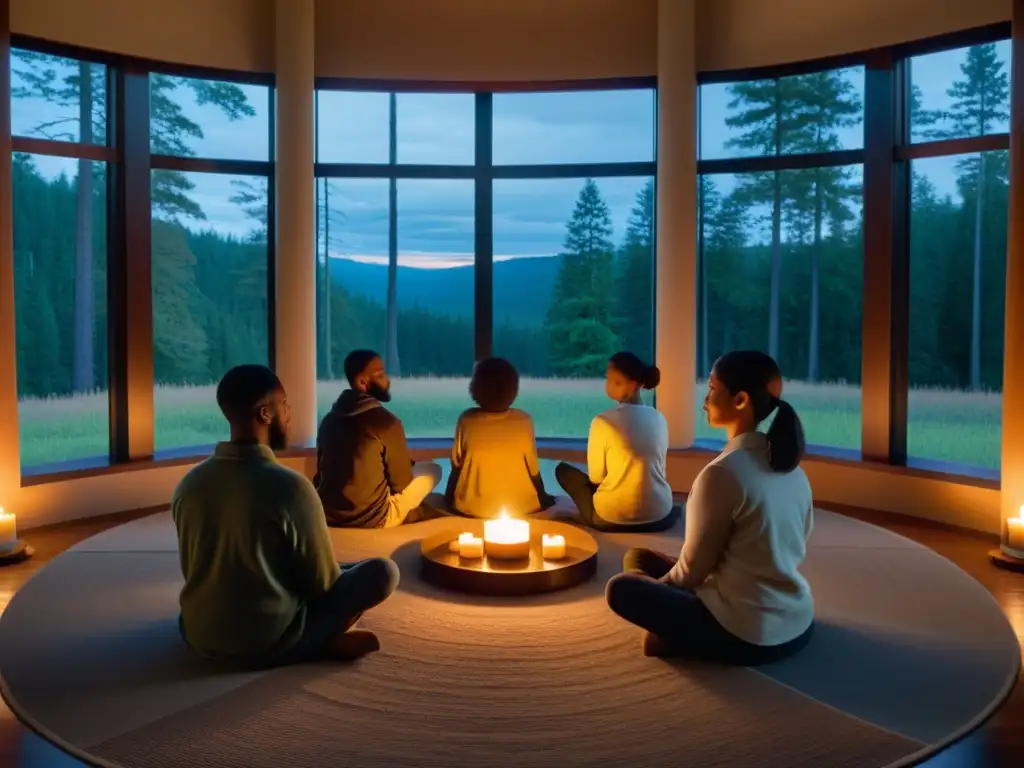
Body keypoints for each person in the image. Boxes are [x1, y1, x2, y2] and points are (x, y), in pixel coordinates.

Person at [172, 364, 399, 668]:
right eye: (285, 404)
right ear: (265, 413)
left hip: (197, 636)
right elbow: (321, 588)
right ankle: (317, 643)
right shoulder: (291, 488)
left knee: (330, 564)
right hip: (266, 642)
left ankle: (312, 637)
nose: (290, 413)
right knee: (382, 571)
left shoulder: (189, 484)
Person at [605, 350, 815, 665]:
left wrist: (657, 597)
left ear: (741, 400)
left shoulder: (722, 474)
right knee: (637, 556)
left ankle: (673, 635)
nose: (705, 399)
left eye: (713, 389)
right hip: (796, 619)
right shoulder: (793, 470)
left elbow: (690, 573)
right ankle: (673, 625)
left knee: (622, 588)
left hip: (746, 631)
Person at [314, 349, 443, 528]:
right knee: (433, 469)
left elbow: (319, 473)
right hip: (373, 518)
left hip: (329, 514)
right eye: (381, 375)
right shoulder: (387, 423)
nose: (387, 381)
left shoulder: (328, 420)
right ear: (362, 382)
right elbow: (402, 483)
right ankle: (408, 514)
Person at [554, 351, 678, 532]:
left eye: (615, 381)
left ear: (634, 385)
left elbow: (597, 478)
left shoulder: (603, 421)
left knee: (563, 471)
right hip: (659, 515)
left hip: (610, 518)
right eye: (607, 379)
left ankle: (585, 516)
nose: (608, 385)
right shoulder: (659, 418)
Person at [444, 357, 555, 518]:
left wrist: (448, 500)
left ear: (476, 388)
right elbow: (533, 470)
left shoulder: (467, 420)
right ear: (513, 389)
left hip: (470, 508)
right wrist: (542, 497)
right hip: (521, 507)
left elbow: (456, 467)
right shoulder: (524, 420)